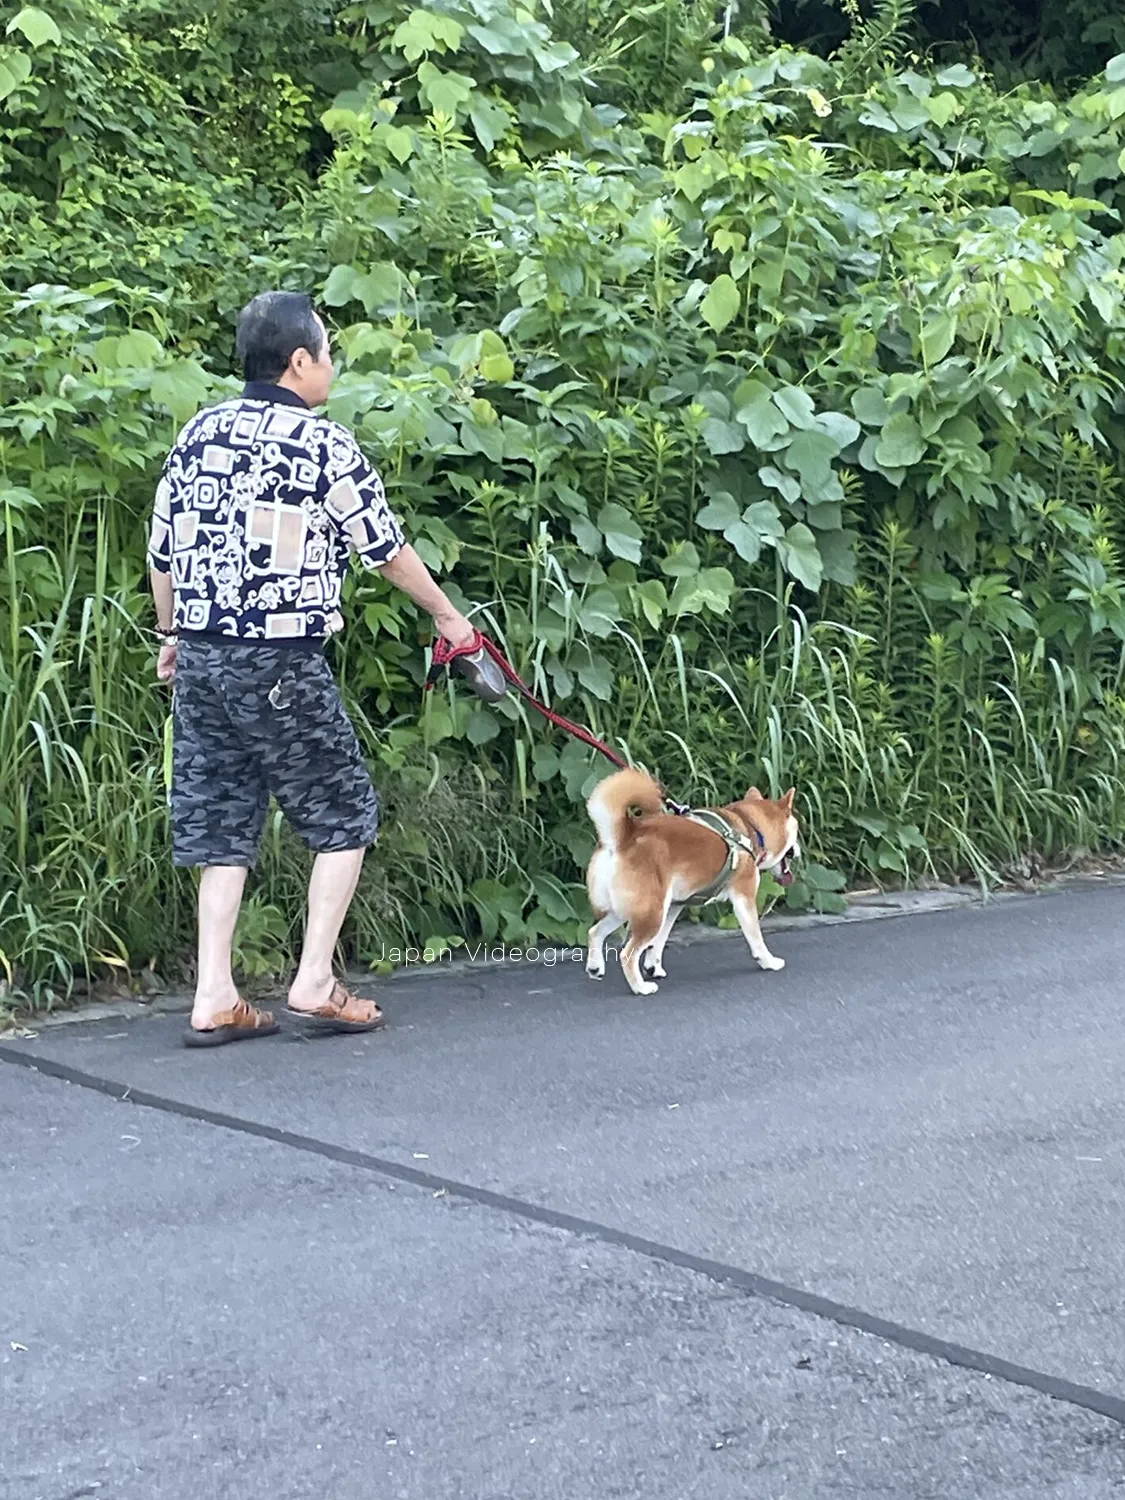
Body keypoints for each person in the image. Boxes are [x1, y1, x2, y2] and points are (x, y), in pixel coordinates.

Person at [146, 290, 475, 1048]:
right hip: (279, 658)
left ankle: (214, 995)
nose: (331, 366)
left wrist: (171, 631)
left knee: (220, 820)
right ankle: (315, 982)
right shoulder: (320, 444)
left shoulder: (197, 435)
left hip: (201, 654)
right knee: (344, 814)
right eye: (327, 352)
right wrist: (447, 615)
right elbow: (384, 547)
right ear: (300, 362)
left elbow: (163, 551)